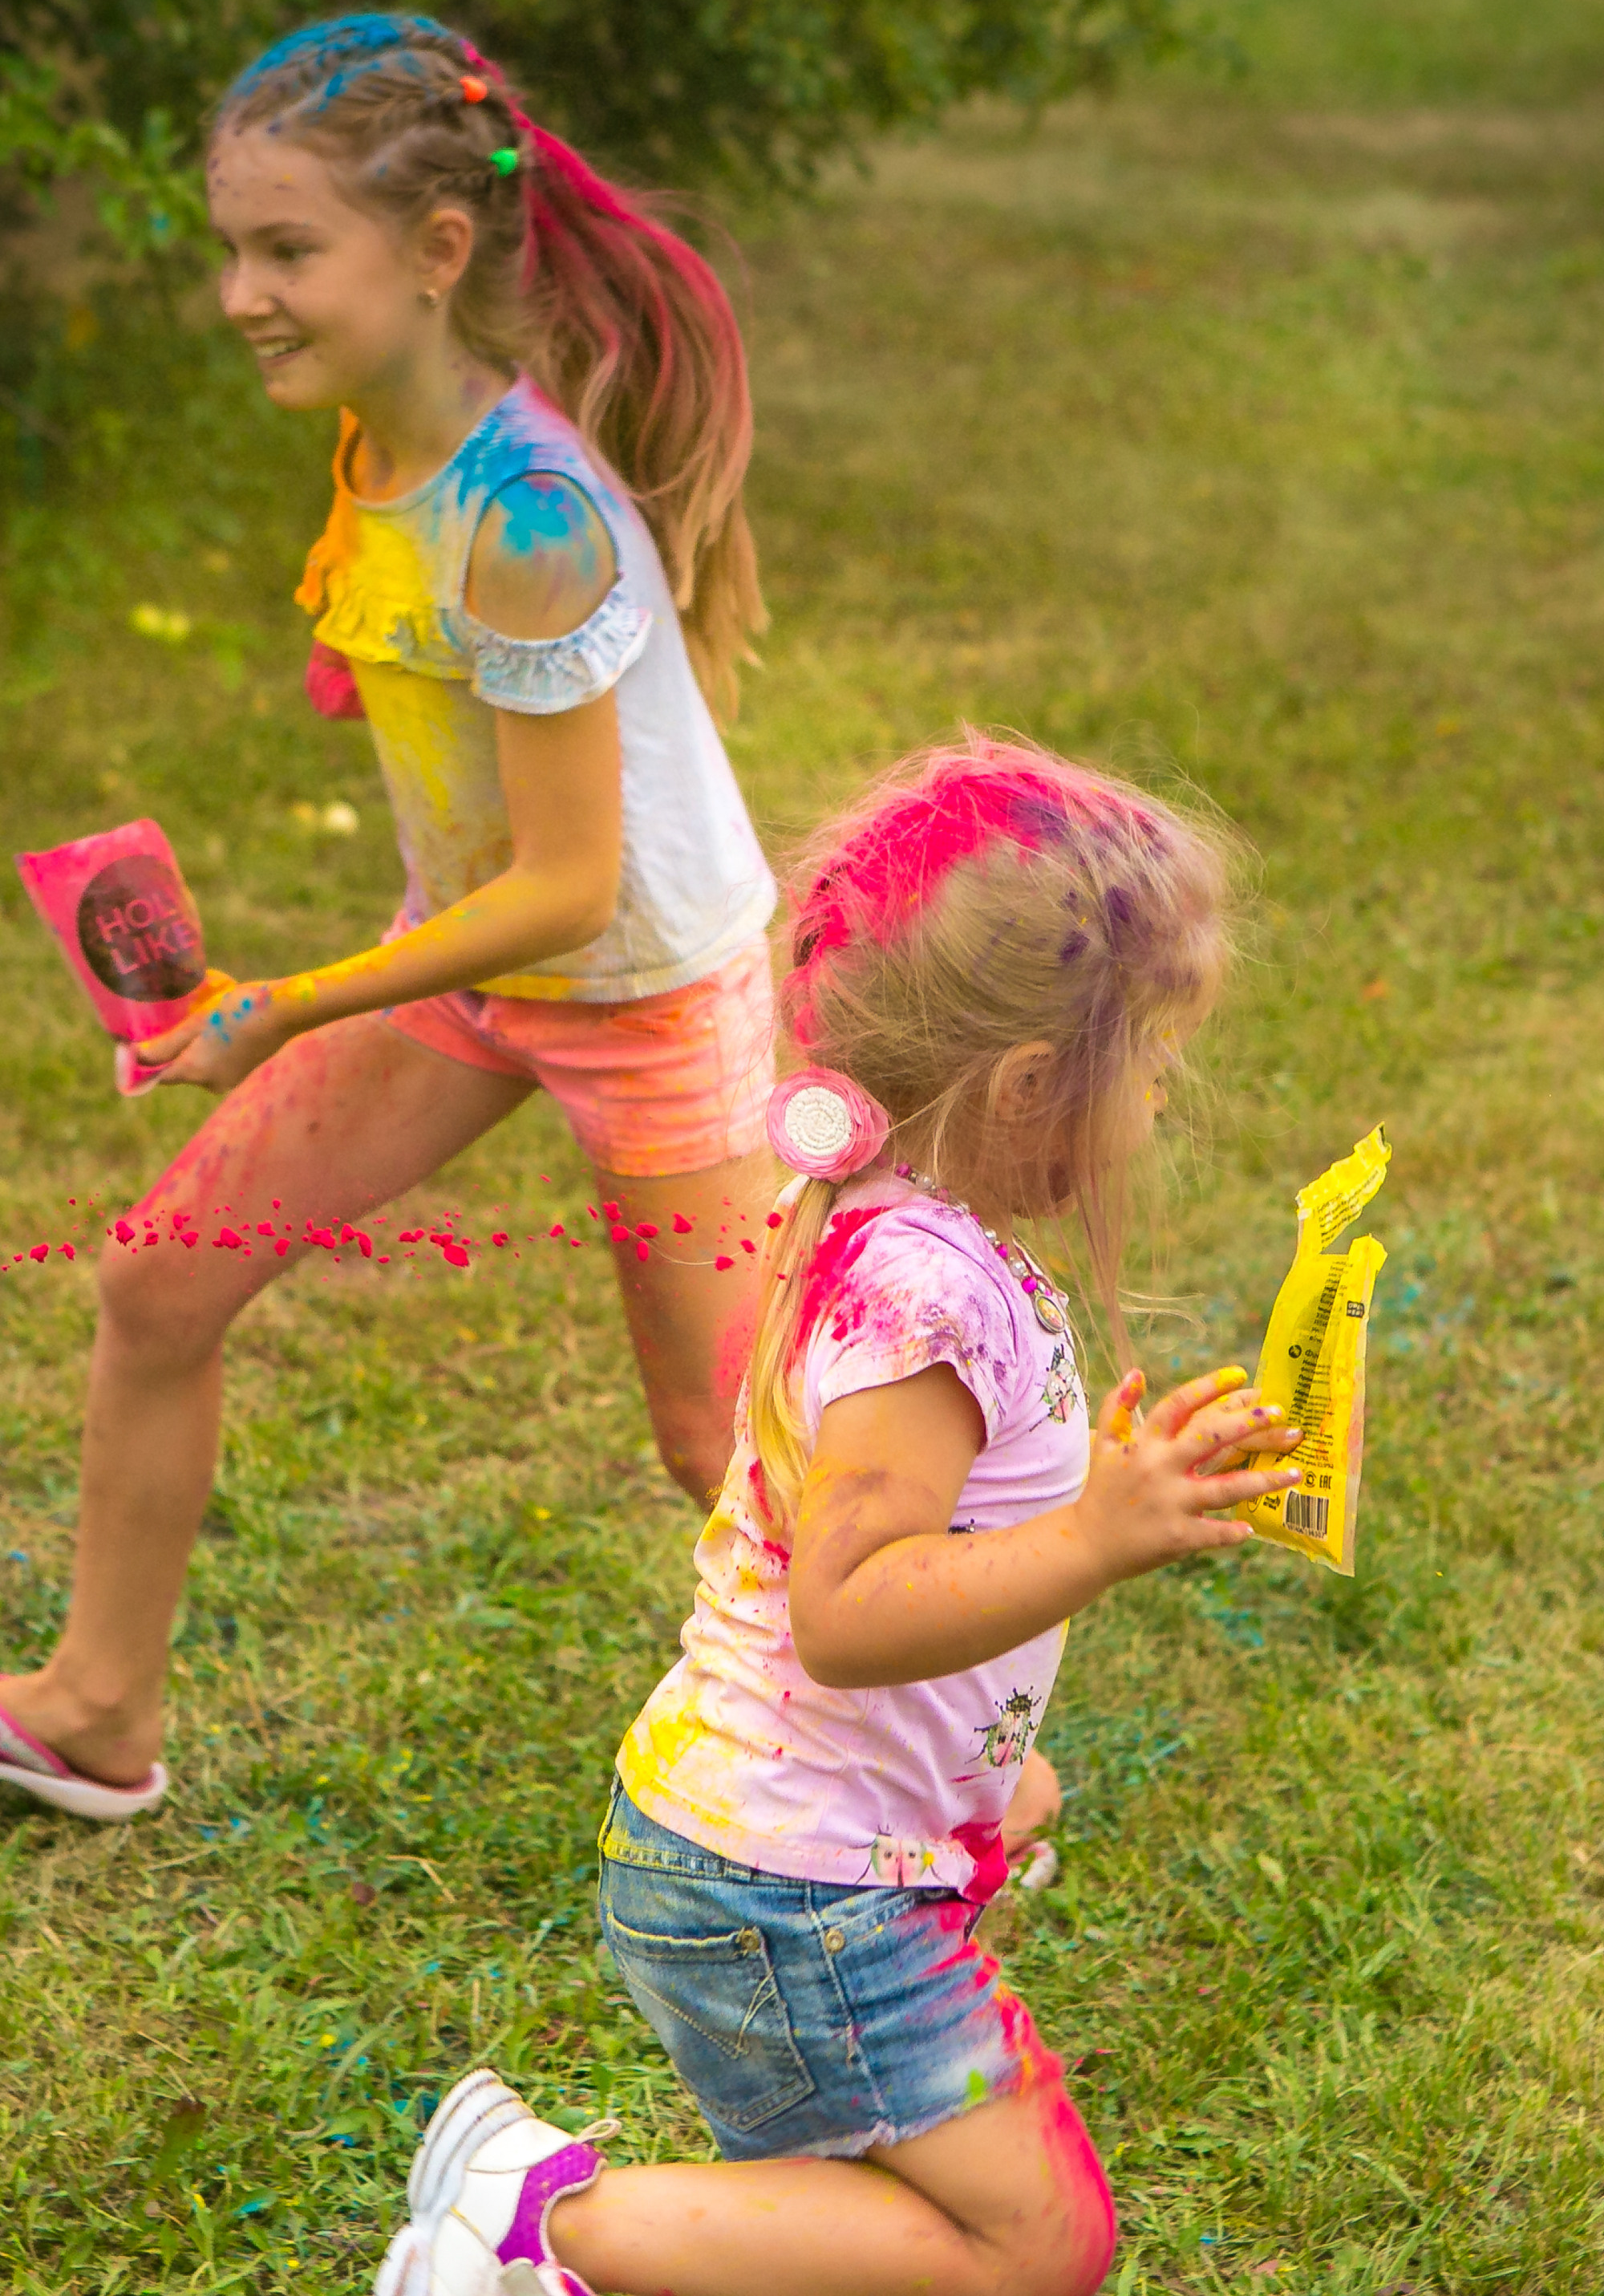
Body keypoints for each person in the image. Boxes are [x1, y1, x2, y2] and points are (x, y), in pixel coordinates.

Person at [372, 740, 1304, 2296]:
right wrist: (1092, 1539)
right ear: (1025, 1089)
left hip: (757, 1852)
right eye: (1148, 1059)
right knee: (1038, 2247)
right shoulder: (924, 1299)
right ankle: (535, 2227)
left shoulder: (892, 1227)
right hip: (787, 1895)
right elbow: (849, 1608)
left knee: (1024, 1808)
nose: (1162, 1094)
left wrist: (1103, 1486)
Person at [0, 13, 782, 1823]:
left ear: (436, 256)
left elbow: (572, 887)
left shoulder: (529, 519)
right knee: (156, 1280)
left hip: (649, 993)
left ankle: (995, 1783)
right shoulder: (374, 446)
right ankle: (98, 1709)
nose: (237, 295)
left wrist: (287, 1004)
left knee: (725, 1442)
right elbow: (473, 807)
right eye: (232, 249)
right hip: (481, 968)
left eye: (287, 251)